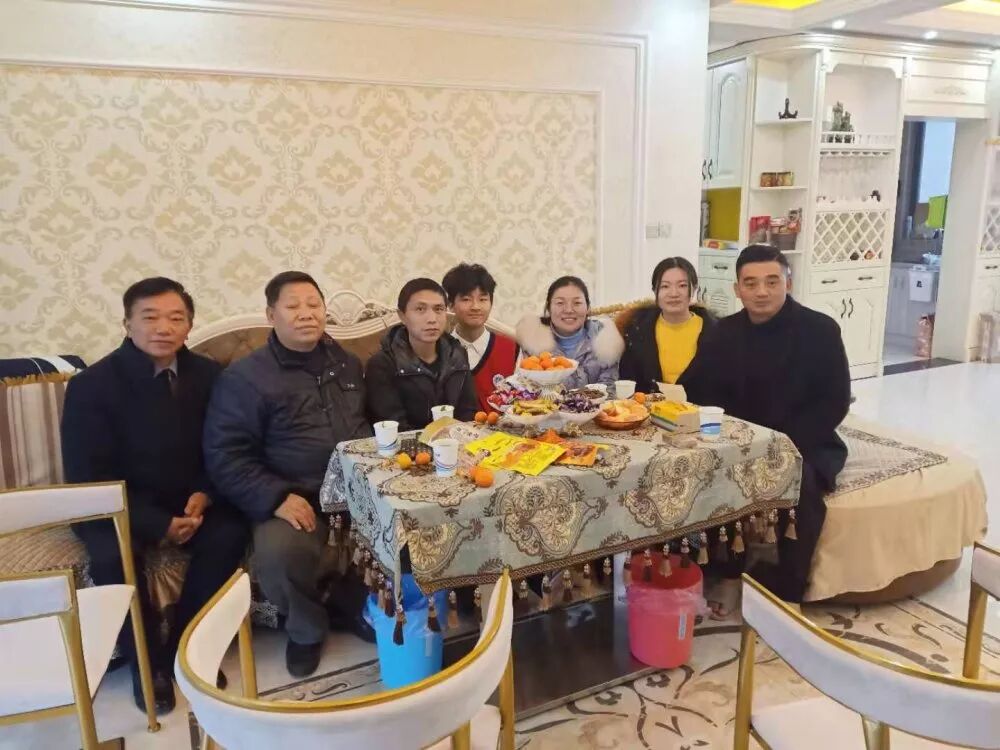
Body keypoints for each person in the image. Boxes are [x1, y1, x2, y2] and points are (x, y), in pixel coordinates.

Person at [62, 277, 248, 714]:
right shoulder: (92, 385)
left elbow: (224, 445)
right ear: (127, 324)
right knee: (111, 556)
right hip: (114, 505)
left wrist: (205, 492)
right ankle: (145, 665)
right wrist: (157, 523)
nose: (163, 328)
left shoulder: (209, 376)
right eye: (150, 317)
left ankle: (184, 647)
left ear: (189, 326)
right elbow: (87, 475)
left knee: (231, 532)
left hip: (190, 498)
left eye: (175, 318)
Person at [203, 271, 372, 678]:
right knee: (281, 553)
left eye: (314, 304)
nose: (306, 314)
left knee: (411, 527)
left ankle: (349, 604)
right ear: (270, 315)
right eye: (293, 306)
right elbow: (226, 453)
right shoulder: (245, 378)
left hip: (359, 490)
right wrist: (275, 498)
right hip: (295, 494)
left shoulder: (347, 364)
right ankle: (306, 631)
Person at [685, 244, 851, 605]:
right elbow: (695, 388)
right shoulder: (722, 332)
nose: (762, 291)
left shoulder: (820, 330)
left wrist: (781, 446)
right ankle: (724, 571)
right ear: (737, 289)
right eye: (751, 283)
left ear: (788, 283)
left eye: (772, 281)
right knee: (702, 474)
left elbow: (834, 401)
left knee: (801, 488)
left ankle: (789, 592)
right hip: (737, 441)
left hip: (803, 441)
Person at [366, 278, 479, 431]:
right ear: (402, 316)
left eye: (438, 309)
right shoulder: (383, 364)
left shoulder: (457, 354)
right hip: (406, 444)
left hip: (456, 441)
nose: (432, 319)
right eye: (420, 309)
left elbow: (468, 413)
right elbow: (394, 428)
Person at [619, 257, 716, 394]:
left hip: (700, 407)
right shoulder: (638, 330)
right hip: (649, 406)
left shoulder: (716, 332)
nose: (674, 294)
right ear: (655, 291)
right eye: (665, 286)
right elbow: (628, 381)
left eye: (682, 285)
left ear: (694, 289)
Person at [516, 276, 624, 390]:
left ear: (587, 307)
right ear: (548, 307)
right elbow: (525, 387)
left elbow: (609, 388)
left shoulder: (605, 337)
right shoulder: (533, 338)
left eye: (577, 303)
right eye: (560, 303)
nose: (568, 310)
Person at [441, 263, 519, 413]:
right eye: (466, 299)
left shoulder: (512, 349)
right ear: (450, 304)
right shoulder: (439, 350)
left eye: (483, 299)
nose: (475, 307)